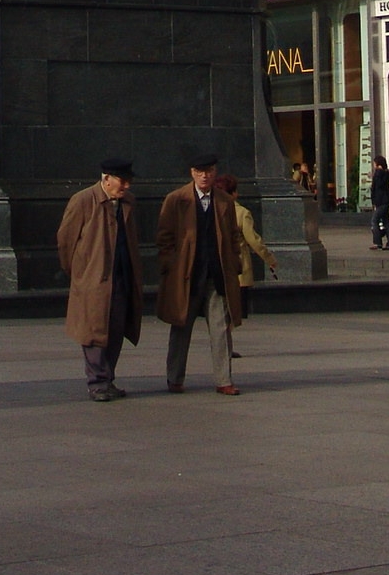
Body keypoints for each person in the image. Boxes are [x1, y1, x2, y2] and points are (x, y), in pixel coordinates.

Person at [155, 153, 244, 396]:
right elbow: (164, 238)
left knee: (221, 330)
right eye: (199, 171)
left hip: (216, 276)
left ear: (215, 172)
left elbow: (234, 236)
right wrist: (171, 265)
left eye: (209, 171)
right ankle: (174, 378)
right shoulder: (176, 199)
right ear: (192, 173)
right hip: (187, 277)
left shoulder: (224, 201)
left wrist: (234, 262)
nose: (204, 176)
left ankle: (224, 380)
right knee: (180, 329)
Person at [57, 159, 142, 401]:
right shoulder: (83, 200)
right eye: (121, 181)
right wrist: (79, 273)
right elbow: (66, 241)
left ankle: (107, 378)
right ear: (106, 179)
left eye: (128, 181)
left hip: (121, 276)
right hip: (93, 281)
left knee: (115, 329)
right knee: (94, 331)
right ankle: (97, 382)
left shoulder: (128, 202)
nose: (125, 186)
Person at [219, 175, 276, 291]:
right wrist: (269, 259)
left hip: (218, 267)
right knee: (241, 304)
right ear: (233, 193)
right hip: (239, 267)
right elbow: (253, 240)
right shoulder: (242, 213)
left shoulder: (213, 212)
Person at [368, 157, 389, 251]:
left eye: (374, 163)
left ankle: (377, 242)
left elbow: (377, 186)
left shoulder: (379, 173)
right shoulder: (385, 174)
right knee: (386, 221)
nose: (373, 165)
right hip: (386, 199)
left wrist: (376, 174)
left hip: (381, 201)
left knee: (374, 220)